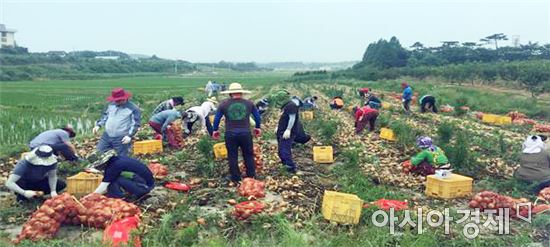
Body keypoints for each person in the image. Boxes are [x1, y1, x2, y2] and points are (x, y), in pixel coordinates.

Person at [212, 83, 261, 183]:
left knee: (232, 156)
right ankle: (251, 176)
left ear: (230, 94)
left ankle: (236, 178)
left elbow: (217, 118)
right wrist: (257, 127)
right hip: (245, 133)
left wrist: (215, 130)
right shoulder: (249, 103)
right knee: (248, 155)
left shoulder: (224, 104)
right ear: (241, 93)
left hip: (230, 134)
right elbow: (257, 117)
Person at [87, 149, 155, 199]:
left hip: (145, 187)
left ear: (102, 163)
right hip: (148, 182)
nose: (98, 168)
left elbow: (104, 186)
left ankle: (119, 198)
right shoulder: (117, 160)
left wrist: (92, 196)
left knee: (113, 182)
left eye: (98, 166)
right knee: (113, 178)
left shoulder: (113, 167)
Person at [93, 88, 141, 157]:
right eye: (116, 100)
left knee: (122, 158)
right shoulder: (111, 105)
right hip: (107, 136)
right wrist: (98, 125)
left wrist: (129, 136)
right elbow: (105, 116)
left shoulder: (133, 108)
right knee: (99, 154)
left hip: (121, 138)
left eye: (119, 100)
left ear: (124, 98)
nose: (117, 102)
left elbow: (135, 124)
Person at [277, 96, 309, 173]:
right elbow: (286, 118)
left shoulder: (292, 105)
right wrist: (278, 127)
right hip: (283, 130)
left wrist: (288, 129)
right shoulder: (291, 105)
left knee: (285, 149)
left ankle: (290, 167)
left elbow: (292, 118)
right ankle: (285, 164)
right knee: (282, 149)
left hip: (287, 132)